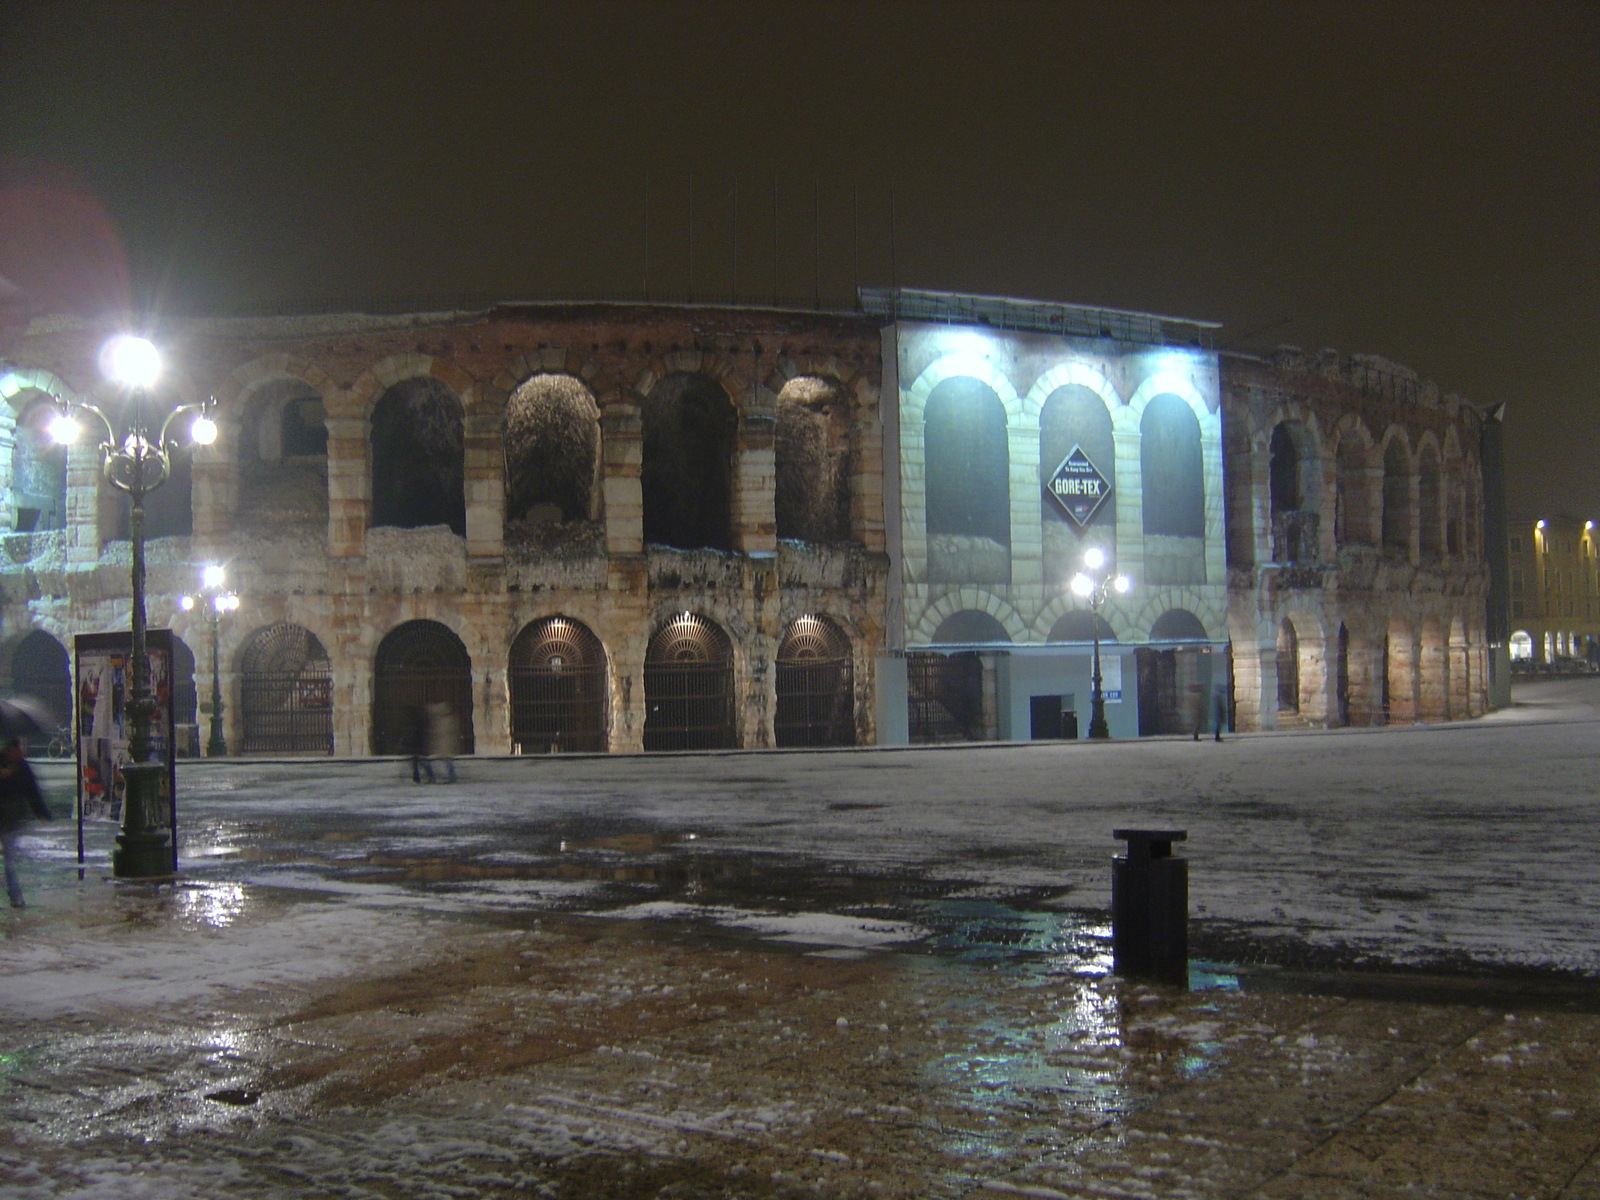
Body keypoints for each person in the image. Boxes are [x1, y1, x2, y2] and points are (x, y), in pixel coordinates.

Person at [0, 737, 53, 909]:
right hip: (9, 819)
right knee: (10, 861)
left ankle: (16, 898)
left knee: (10, 862)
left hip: (12, 821)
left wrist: (42, 813)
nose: (22, 752)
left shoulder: (23, 768)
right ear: (10, 750)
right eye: (19, 749)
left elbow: (32, 792)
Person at [427, 701, 459, 784]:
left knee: (447, 762)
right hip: (444, 745)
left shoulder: (445, 721)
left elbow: (443, 732)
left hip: (445, 745)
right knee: (447, 762)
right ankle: (451, 777)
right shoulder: (444, 720)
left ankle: (451, 777)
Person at [405, 705, 433, 784]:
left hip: (416, 745)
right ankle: (419, 777)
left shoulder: (414, 723)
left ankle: (423, 776)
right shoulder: (419, 722)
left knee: (419, 762)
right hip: (417, 745)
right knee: (418, 762)